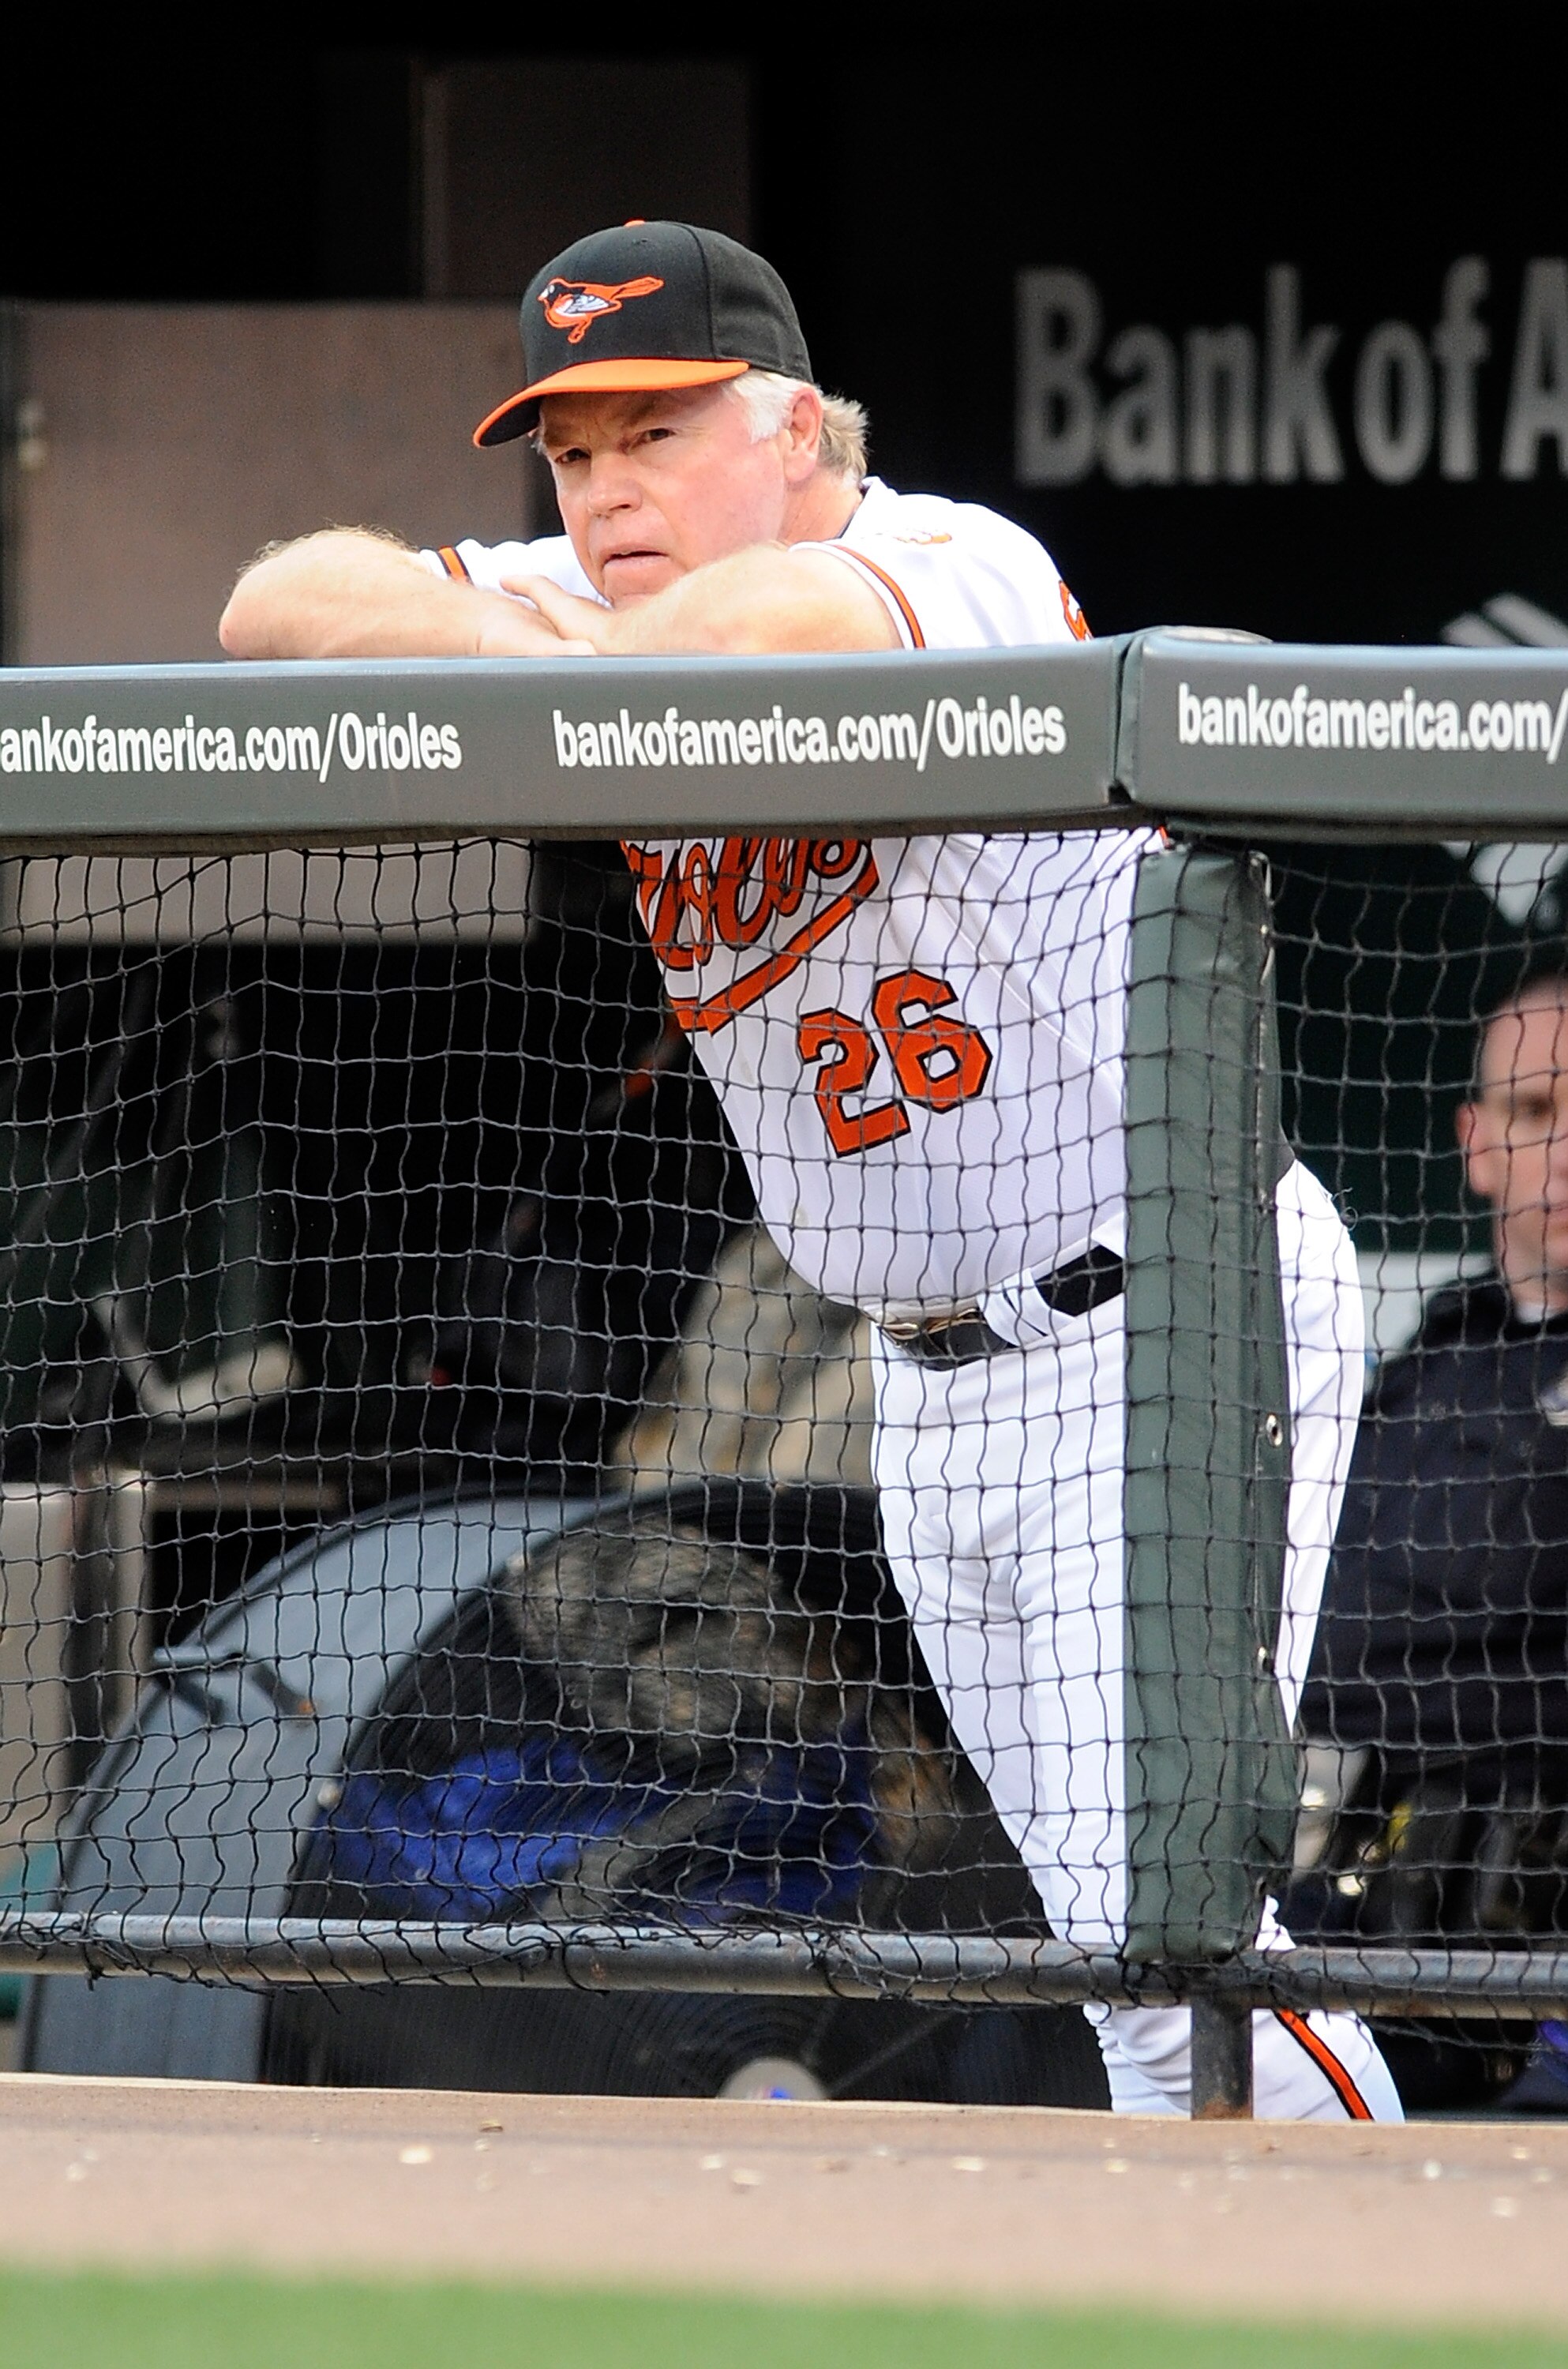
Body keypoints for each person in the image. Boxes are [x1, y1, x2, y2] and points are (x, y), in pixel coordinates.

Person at [221, 218, 1400, 2120]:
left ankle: (1397, 2295)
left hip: (1161, 1326)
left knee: (1195, 1961)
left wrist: (536, 645)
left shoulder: (954, 558)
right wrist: (552, 628)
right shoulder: (617, 588)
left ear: (791, 422)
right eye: (571, 452)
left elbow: (782, 643)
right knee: (1127, 1981)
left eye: (653, 434)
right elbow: (275, 611)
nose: (603, 489)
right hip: (932, 1388)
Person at [1301, 976, 1568, 2108]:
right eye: (1533, 1111)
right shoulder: (1429, 1359)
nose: (1564, 1151)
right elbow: (1334, 1628)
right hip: (1369, 1887)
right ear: (1475, 1145)